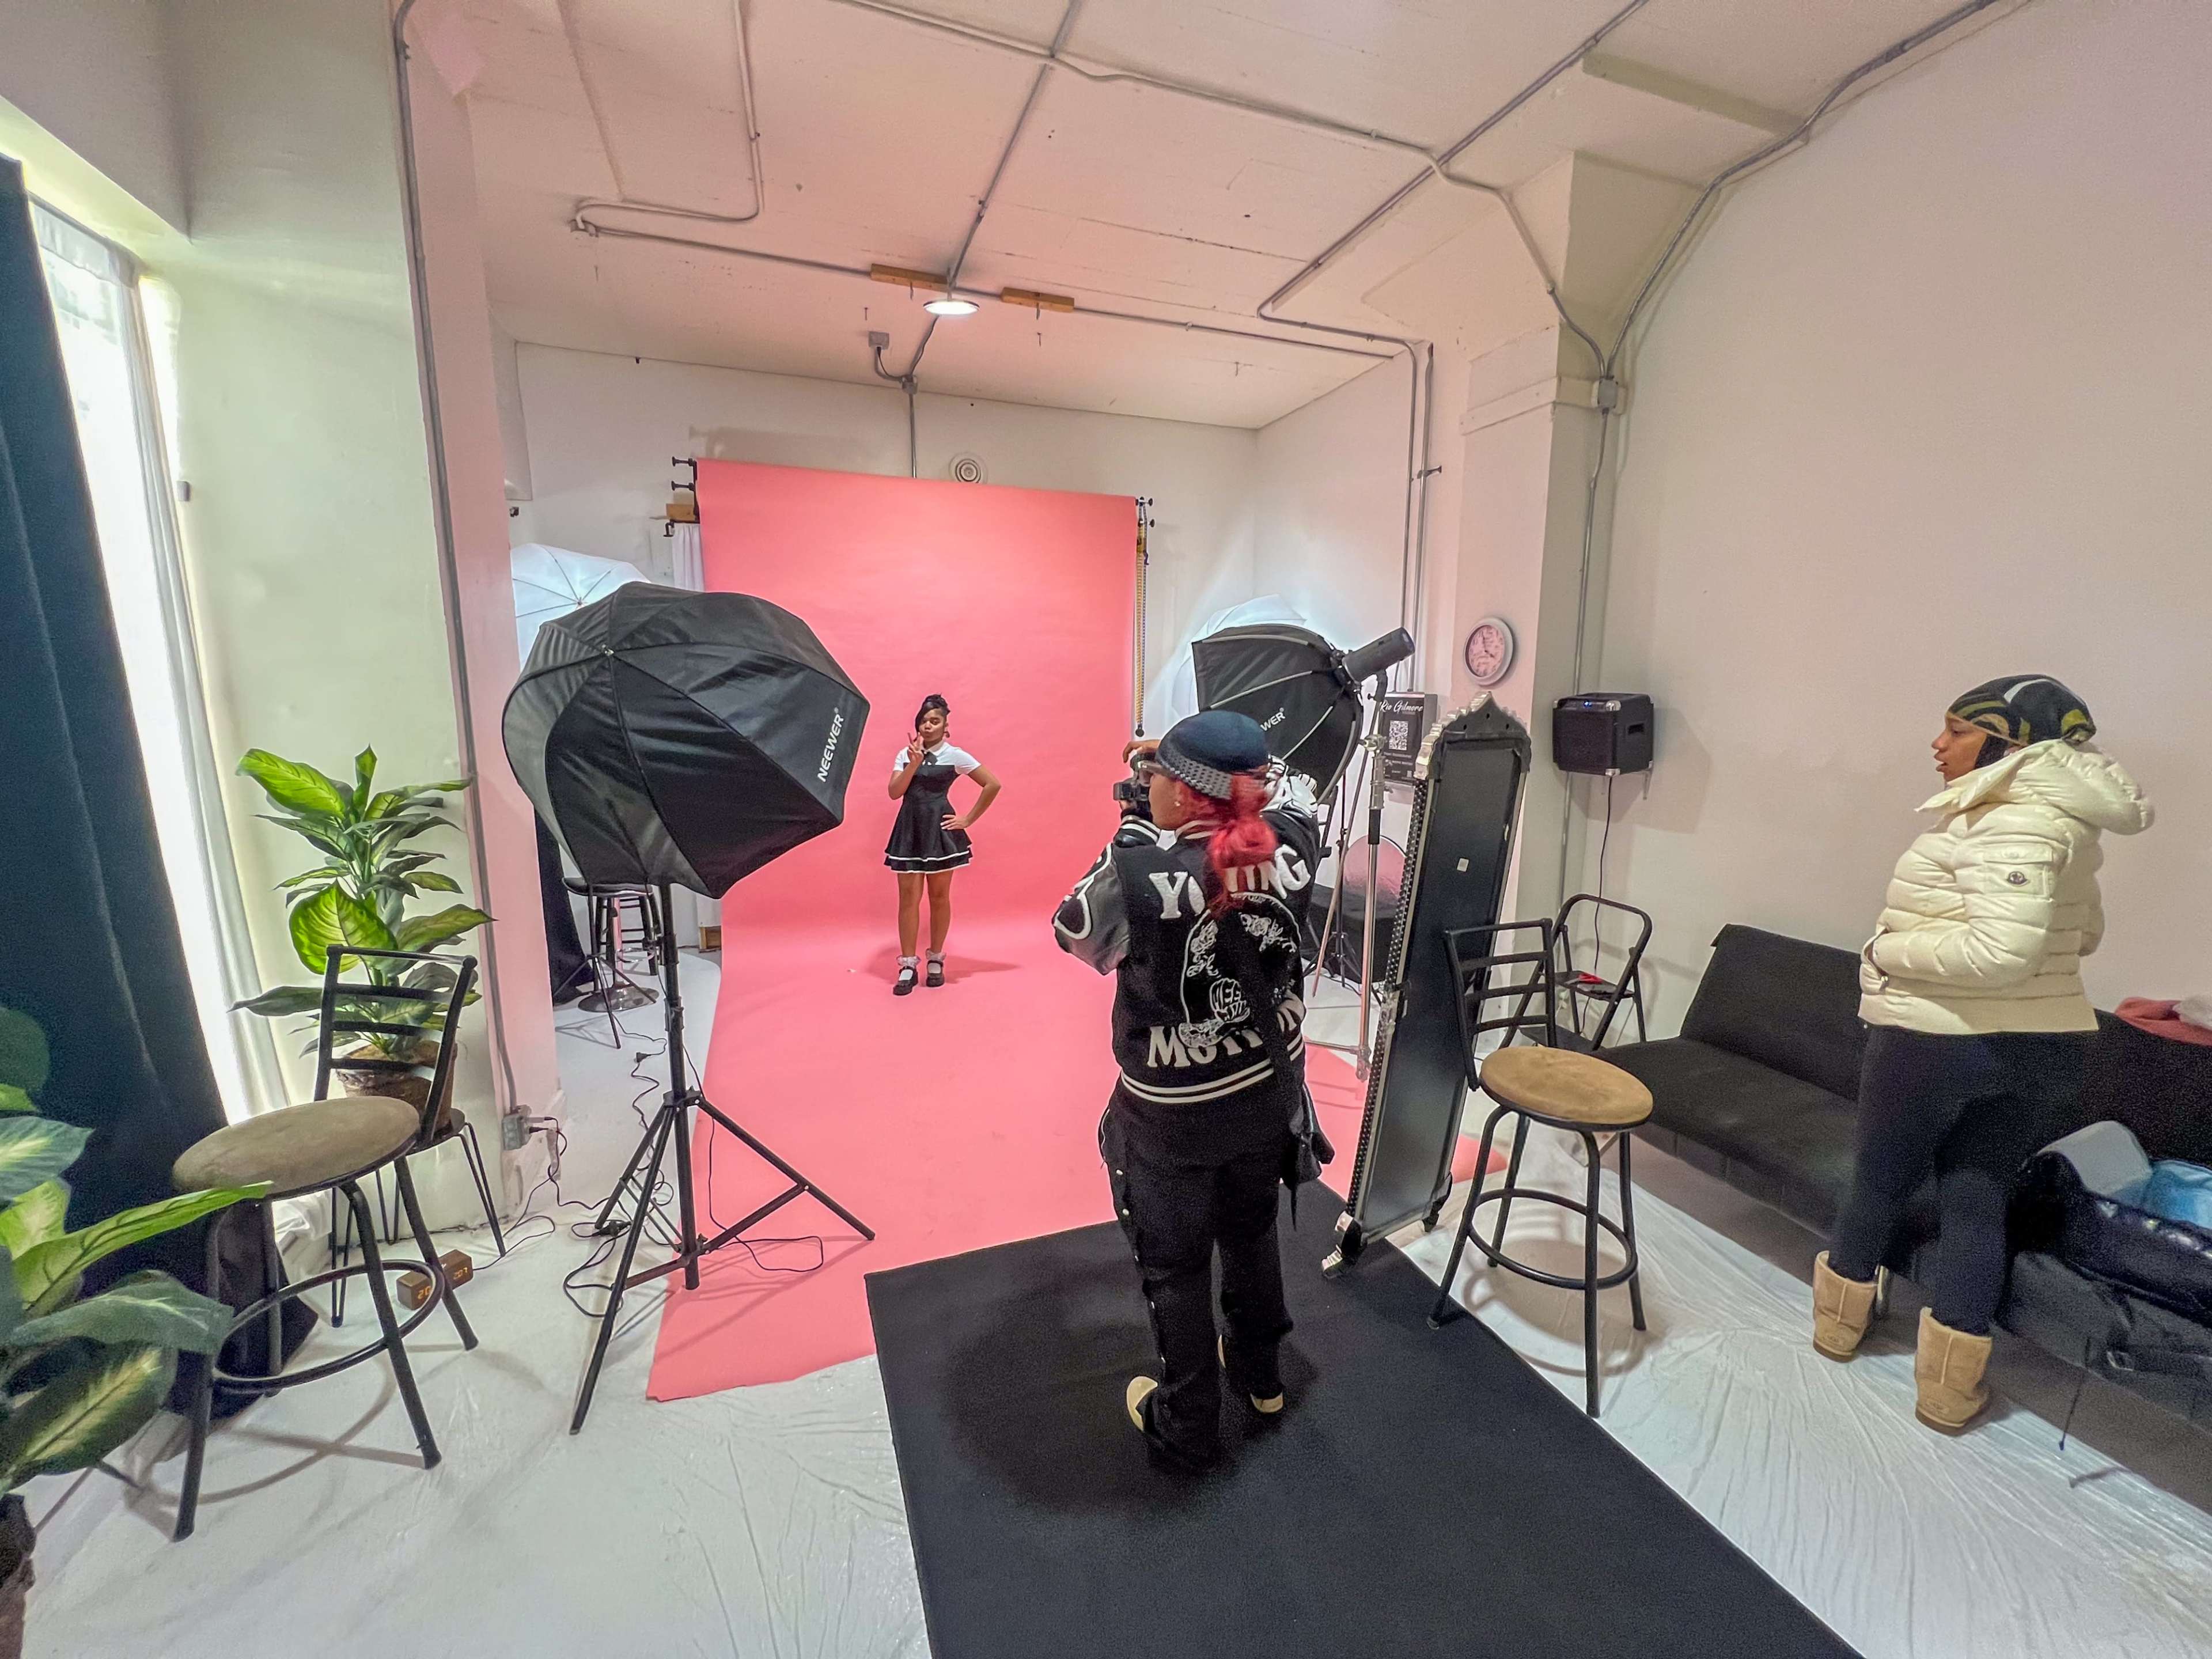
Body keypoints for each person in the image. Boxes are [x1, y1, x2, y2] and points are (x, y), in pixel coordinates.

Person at [1813, 675, 2151, 1431]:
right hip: (2042, 1049)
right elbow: (2081, 937)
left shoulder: (2012, 823)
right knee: (1976, 1197)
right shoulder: (2067, 825)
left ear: (2010, 743)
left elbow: (1999, 952)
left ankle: (1838, 1329)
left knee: (1878, 1182)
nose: (1938, 744)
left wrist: (1888, 947)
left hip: (1938, 1039)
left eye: (1956, 730)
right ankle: (1947, 1392)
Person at [1052, 710, 1326, 1472]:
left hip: (1175, 1117)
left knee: (1174, 1267)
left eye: (1160, 777)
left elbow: (1076, 935)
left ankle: (1189, 1423)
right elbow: (1274, 807)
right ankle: (1265, 1381)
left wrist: (1136, 832)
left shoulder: (1136, 870)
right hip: (1267, 1096)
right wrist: (1181, 785)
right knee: (1250, 1232)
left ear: (1184, 793)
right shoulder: (1295, 841)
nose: (1147, 784)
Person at [885, 694, 1001, 994]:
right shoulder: (904, 755)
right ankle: (908, 964)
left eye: (934, 721)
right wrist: (912, 764)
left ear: (946, 726)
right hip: (909, 831)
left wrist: (968, 819)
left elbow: (992, 784)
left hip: (939, 832)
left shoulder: (955, 755)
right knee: (908, 898)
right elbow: (894, 793)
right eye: (923, 721)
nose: (928, 726)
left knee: (939, 897)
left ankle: (935, 958)